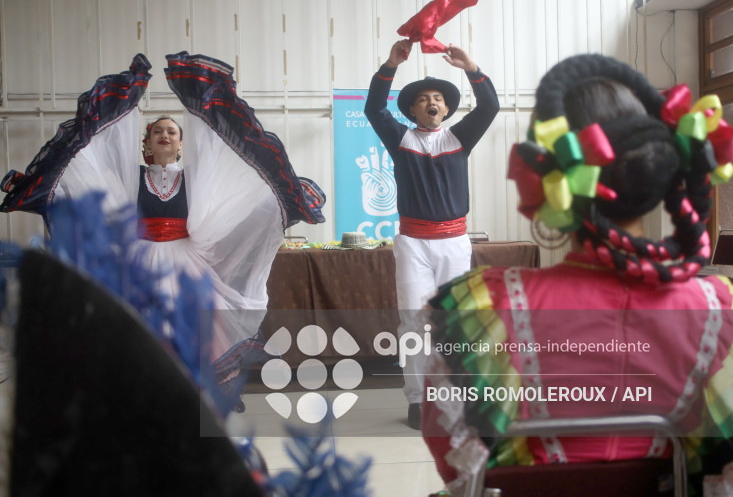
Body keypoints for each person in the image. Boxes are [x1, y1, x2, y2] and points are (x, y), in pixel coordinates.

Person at [421, 54, 733, 495]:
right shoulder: (721, 310)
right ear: (660, 173)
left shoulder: (483, 307)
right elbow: (726, 466)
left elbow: (453, 462)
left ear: (545, 176)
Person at [1, 52, 326, 407]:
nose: (165, 135)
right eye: (158, 131)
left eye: (172, 131)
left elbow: (234, 203)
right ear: (148, 143)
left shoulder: (195, 181)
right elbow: (86, 178)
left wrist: (280, 200)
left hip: (186, 259)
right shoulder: (131, 179)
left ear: (181, 143)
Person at [364, 39, 499, 429]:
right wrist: (391, 63)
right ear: (411, 109)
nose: (431, 102)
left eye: (438, 97)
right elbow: (373, 108)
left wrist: (470, 65)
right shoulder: (400, 139)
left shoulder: (460, 138)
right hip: (413, 244)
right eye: (423, 98)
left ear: (447, 108)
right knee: (414, 323)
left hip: (455, 243)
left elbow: (489, 105)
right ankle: (418, 400)